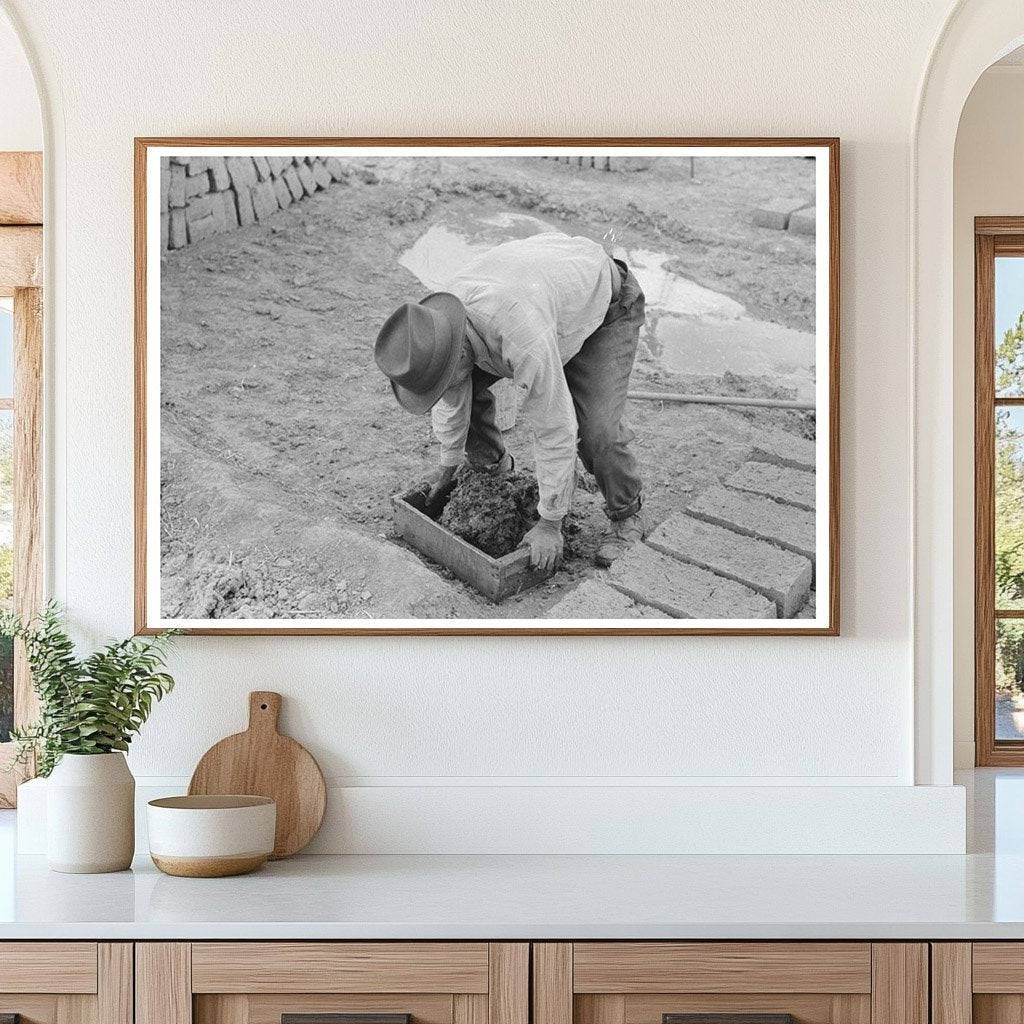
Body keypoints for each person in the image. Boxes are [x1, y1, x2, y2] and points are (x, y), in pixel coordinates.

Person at [375, 232, 646, 572]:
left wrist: (550, 523)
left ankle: (626, 515)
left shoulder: (519, 332)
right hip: (548, 302)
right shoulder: (440, 328)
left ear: (457, 350)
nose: (445, 388)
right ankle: (490, 471)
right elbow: (453, 396)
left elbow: (555, 429)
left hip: (605, 307)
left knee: (596, 432)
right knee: (465, 385)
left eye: (444, 378)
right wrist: (448, 466)